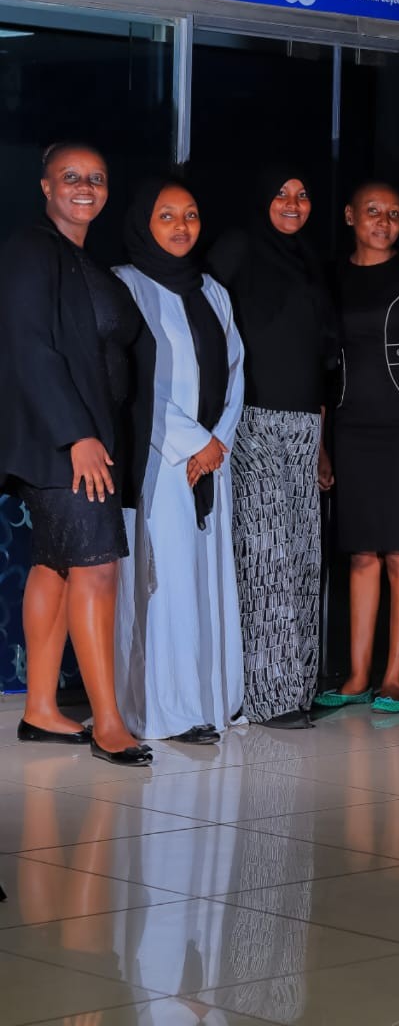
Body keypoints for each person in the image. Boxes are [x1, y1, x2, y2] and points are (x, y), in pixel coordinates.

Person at [0, 142, 152, 766]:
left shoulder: (80, 258)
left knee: (56, 566)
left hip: (82, 438)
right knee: (96, 568)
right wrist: (77, 436)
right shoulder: (30, 249)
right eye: (70, 176)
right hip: (65, 442)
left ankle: (40, 708)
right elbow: (28, 347)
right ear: (46, 186)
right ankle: (109, 723)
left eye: (96, 177)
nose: (85, 186)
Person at [114, 179, 245, 743]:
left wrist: (217, 443)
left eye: (190, 214)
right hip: (159, 460)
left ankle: (208, 700)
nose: (181, 226)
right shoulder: (126, 285)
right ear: (144, 222)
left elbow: (236, 369)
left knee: (204, 579)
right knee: (164, 583)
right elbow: (132, 381)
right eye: (166, 215)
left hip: (210, 462)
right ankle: (164, 709)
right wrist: (192, 442)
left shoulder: (212, 291)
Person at [208, 168, 337, 730]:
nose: (292, 203)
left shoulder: (308, 258)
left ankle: (296, 686)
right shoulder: (238, 248)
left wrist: (322, 443)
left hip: (304, 425)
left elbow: (320, 358)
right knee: (267, 558)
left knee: (303, 557)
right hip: (252, 419)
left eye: (302, 195)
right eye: (282, 193)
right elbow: (208, 326)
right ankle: (267, 697)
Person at [315, 182, 399, 714]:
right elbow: (323, 366)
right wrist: (323, 443)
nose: (384, 221)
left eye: (394, 213)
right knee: (361, 552)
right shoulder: (332, 277)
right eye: (373, 211)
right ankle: (356, 676)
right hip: (351, 428)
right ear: (350, 216)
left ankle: (394, 677)